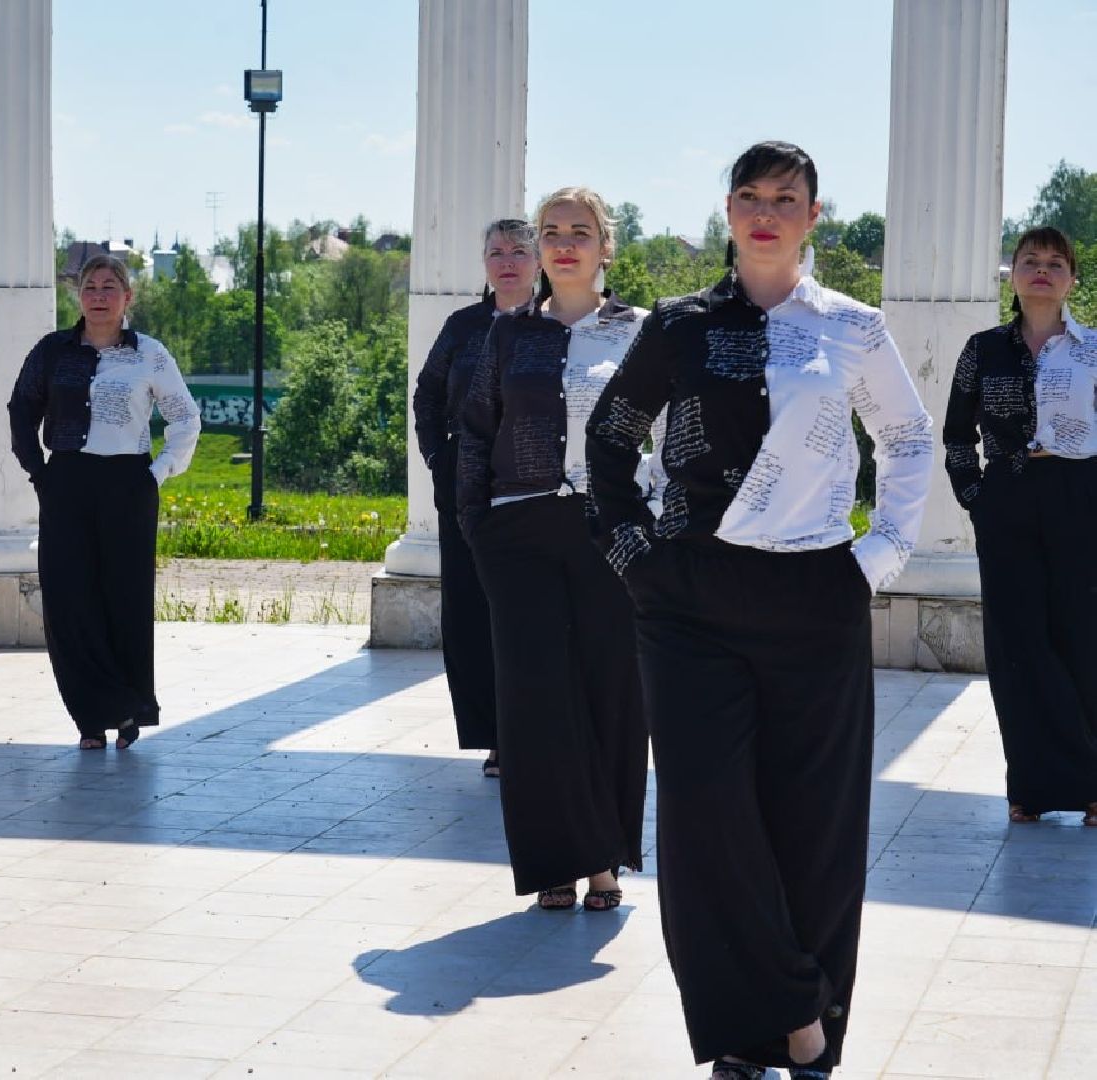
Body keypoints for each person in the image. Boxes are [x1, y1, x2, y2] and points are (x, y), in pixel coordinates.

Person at [586, 142, 932, 1079]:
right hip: (688, 600)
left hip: (816, 593)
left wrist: (875, 560)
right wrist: (636, 560)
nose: (766, 213)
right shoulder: (679, 325)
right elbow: (608, 443)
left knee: (811, 824)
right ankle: (778, 1022)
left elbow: (906, 441)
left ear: (814, 216)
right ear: (728, 211)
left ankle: (803, 1028)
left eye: (786, 199)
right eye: (749, 197)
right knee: (706, 822)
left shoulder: (853, 327)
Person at [456, 189, 652, 912]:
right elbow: (475, 430)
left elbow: (676, 434)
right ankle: (553, 861)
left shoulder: (642, 332)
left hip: (612, 532)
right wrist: (476, 521)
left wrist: (656, 524)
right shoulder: (509, 335)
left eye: (580, 231)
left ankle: (604, 859)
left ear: (607, 246)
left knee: (608, 692)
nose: (563, 243)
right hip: (519, 530)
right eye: (550, 232)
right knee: (535, 700)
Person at [7, 255, 201, 750]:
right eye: (89, 286)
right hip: (67, 482)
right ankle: (89, 717)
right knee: (70, 600)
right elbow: (21, 410)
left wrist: (157, 475)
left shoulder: (149, 355)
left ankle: (130, 708)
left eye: (109, 286)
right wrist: (40, 474)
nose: (98, 295)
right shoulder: (52, 352)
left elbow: (184, 417)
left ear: (127, 297)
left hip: (129, 485)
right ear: (79, 296)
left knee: (124, 597)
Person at [942, 226, 1097, 827]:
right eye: (1030, 259)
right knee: (1017, 644)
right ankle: (1028, 787)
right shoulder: (982, 349)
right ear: (1012, 274)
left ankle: (1090, 786)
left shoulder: (1091, 349)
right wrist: (977, 497)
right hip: (1006, 498)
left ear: (1072, 279)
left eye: (1056, 262)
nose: (1042, 269)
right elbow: (957, 435)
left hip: (1080, 497)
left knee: (1082, 638)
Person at [413, 218, 539, 778]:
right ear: (484, 263)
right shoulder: (463, 327)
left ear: (537, 261)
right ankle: (494, 737)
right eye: (496, 252)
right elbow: (428, 395)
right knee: (473, 617)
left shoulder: (556, 324)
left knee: (529, 618)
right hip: (468, 495)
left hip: (538, 494)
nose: (507, 261)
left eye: (518, 251)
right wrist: (442, 462)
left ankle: (535, 731)